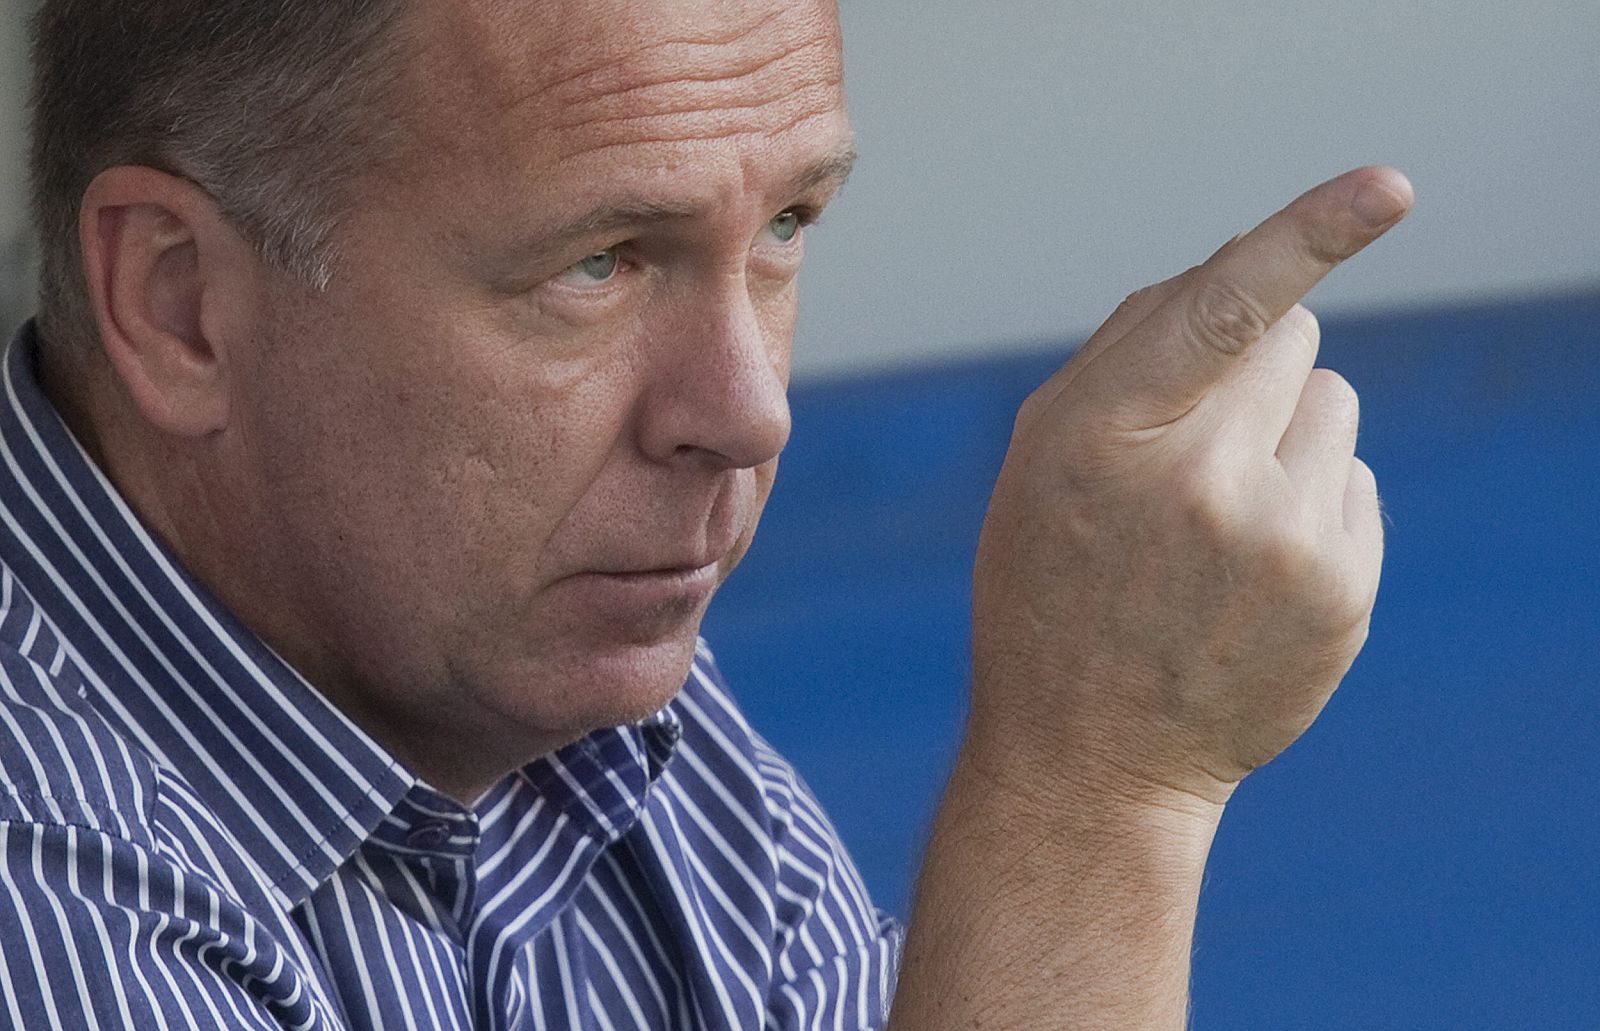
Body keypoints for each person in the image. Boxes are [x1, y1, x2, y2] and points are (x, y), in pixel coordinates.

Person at [0, 0, 1411, 1027]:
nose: (747, 412)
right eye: (601, 262)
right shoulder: (40, 881)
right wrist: (1093, 792)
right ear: (177, 303)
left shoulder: (556, 664)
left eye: (788, 227)